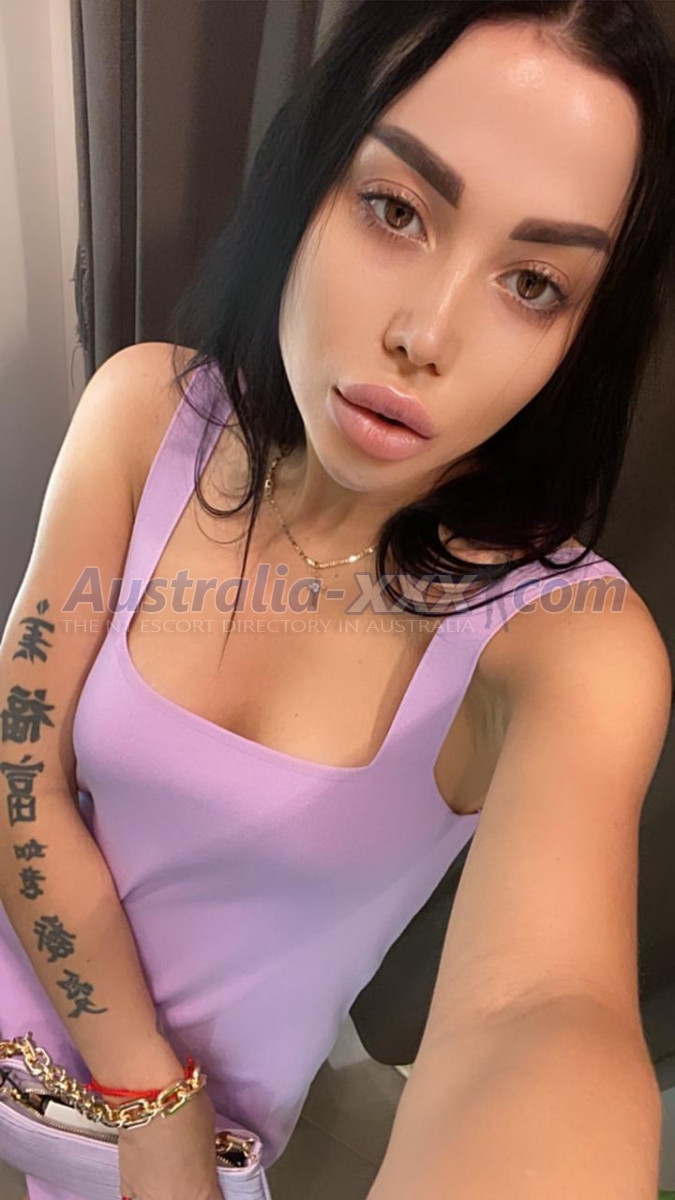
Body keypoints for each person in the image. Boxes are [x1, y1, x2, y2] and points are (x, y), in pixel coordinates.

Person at [1, 2, 674, 1198]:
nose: (424, 334)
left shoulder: (565, 640)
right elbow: (15, 766)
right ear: (308, 183)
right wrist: (149, 1094)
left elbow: (543, 1010)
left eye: (533, 283)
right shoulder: (146, 415)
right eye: (396, 209)